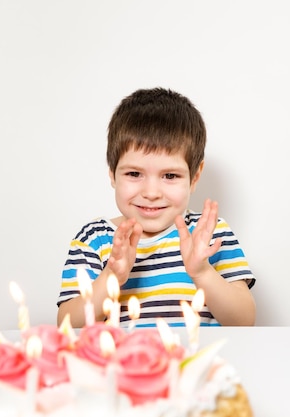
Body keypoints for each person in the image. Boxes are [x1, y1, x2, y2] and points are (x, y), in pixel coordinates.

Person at [57, 87, 256, 328]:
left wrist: (202, 272)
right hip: (121, 365)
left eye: (170, 176)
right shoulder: (95, 239)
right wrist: (111, 277)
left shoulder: (210, 234)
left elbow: (245, 321)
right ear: (112, 173)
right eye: (134, 173)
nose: (151, 193)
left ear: (194, 177)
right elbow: (67, 326)